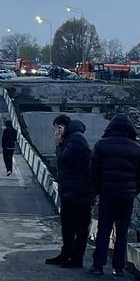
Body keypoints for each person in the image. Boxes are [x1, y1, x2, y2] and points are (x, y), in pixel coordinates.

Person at [89, 115, 140, 276]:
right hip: (126, 197)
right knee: (122, 232)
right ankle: (119, 267)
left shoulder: (101, 145)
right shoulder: (137, 148)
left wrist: (98, 190)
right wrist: (133, 190)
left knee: (103, 230)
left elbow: (93, 171)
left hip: (107, 195)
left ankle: (98, 266)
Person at [46, 114, 93, 269]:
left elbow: (65, 159)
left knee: (80, 227)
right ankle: (66, 253)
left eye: (57, 128)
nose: (55, 132)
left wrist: (59, 143)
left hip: (80, 191)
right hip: (70, 190)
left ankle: (76, 259)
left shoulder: (76, 140)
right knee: (67, 225)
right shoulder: (72, 139)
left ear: (63, 127)